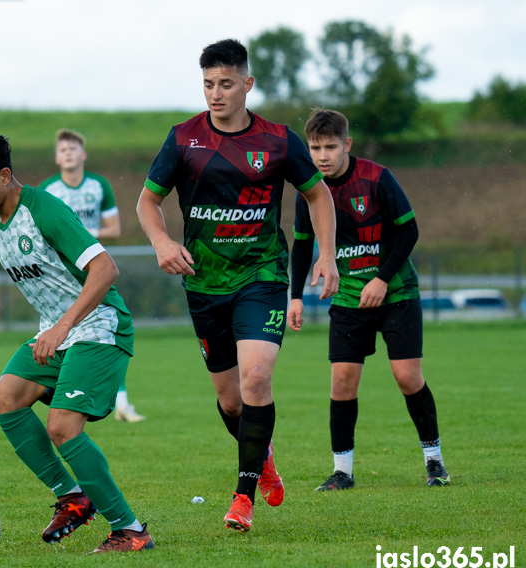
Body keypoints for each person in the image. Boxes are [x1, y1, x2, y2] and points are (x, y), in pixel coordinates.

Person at [136, 39, 339, 532]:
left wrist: (327, 256)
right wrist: (163, 242)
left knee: (256, 380)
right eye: (208, 84)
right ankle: (263, 460)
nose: (216, 94)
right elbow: (147, 202)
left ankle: (242, 497)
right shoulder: (184, 138)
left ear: (247, 84)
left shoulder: (279, 140)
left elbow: (319, 196)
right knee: (230, 400)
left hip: (262, 275)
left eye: (226, 83)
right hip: (204, 283)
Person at [0, 129, 153, 553]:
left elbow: (105, 269)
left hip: (100, 326)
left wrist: (62, 327)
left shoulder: (45, 210)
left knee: (62, 427)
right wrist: (56, 328)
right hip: (58, 332)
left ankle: (130, 530)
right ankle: (73, 497)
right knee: (4, 397)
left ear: (4, 176)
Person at [288, 108, 450, 491]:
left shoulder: (377, 178)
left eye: (330, 147)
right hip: (347, 299)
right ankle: (342, 471)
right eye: (315, 148)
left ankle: (435, 462)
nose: (322, 156)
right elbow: (302, 246)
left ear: (347, 145)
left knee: (407, 377)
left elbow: (408, 232)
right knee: (342, 383)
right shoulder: (308, 191)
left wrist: (381, 279)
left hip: (396, 293)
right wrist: (294, 297)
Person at [39, 129, 145, 423]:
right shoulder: (48, 190)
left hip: (93, 269)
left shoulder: (99, 186)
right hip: (62, 275)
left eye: (73, 148)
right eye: (62, 150)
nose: (68, 153)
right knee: (65, 333)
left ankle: (120, 402)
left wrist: (84, 237)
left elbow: (115, 229)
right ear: (56, 158)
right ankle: (55, 390)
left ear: (83, 155)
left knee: (108, 333)